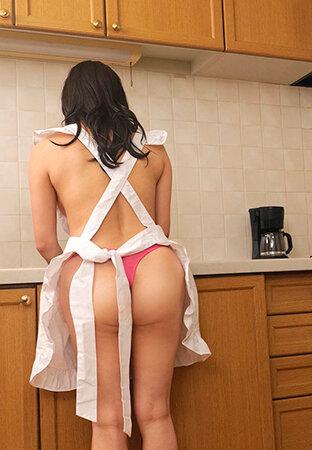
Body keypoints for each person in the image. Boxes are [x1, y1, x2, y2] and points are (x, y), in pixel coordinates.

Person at [27, 60, 211, 450]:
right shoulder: (154, 151)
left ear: (70, 101)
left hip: (93, 278)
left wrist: (74, 270)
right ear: (118, 96)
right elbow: (161, 229)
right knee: (157, 413)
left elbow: (45, 242)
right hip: (156, 270)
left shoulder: (48, 150)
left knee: (108, 419)